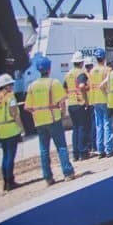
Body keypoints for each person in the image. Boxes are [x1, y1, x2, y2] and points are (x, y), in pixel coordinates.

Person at [24, 54, 76, 184]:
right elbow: (62, 101)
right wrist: (62, 114)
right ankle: (67, 172)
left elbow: (27, 107)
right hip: (54, 119)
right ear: (49, 69)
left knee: (44, 150)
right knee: (61, 147)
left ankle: (48, 177)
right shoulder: (54, 83)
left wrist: (38, 113)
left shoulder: (31, 86)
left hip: (39, 122)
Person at [0, 74, 21, 190]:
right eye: (10, 84)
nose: (12, 86)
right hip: (11, 130)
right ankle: (10, 181)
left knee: (5, 156)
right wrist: (21, 129)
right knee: (10, 156)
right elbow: (15, 114)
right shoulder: (10, 98)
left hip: (1, 131)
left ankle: (5, 181)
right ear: (6, 86)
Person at [64, 51, 92, 160]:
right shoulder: (80, 73)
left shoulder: (68, 74)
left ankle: (75, 153)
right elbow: (81, 86)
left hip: (71, 104)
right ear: (81, 63)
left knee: (75, 128)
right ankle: (83, 152)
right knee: (82, 128)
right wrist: (85, 94)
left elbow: (65, 88)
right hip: (79, 102)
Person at [89, 47, 113, 158]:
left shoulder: (91, 71)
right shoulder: (107, 70)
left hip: (95, 100)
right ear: (104, 58)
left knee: (99, 125)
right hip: (105, 99)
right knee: (107, 124)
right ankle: (108, 148)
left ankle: (100, 150)